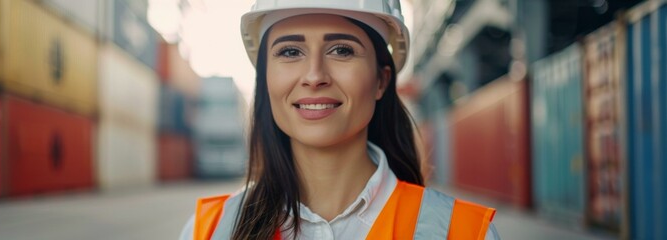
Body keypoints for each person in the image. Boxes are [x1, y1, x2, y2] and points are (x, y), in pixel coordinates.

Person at [180, 0, 500, 239]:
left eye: (342, 50)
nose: (315, 76)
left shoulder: (464, 232)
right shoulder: (208, 230)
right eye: (290, 52)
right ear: (265, 79)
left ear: (381, 81)